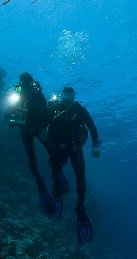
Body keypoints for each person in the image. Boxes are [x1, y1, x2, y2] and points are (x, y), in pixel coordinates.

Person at [45, 86, 100, 245]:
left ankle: (80, 208)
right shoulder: (54, 108)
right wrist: (46, 108)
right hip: (58, 148)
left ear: (74, 96)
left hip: (75, 149)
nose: (68, 97)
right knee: (54, 172)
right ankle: (57, 192)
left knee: (80, 179)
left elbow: (92, 127)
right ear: (62, 95)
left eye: (71, 95)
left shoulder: (80, 110)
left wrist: (95, 145)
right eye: (66, 94)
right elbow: (43, 121)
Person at [9, 72, 68, 217]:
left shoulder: (37, 94)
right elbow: (10, 114)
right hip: (27, 131)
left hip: (38, 129)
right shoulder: (19, 95)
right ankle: (40, 180)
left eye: (27, 82)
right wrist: (12, 120)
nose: (25, 85)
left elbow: (46, 112)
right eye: (23, 83)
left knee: (51, 153)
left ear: (31, 82)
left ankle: (54, 176)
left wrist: (43, 127)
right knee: (33, 158)